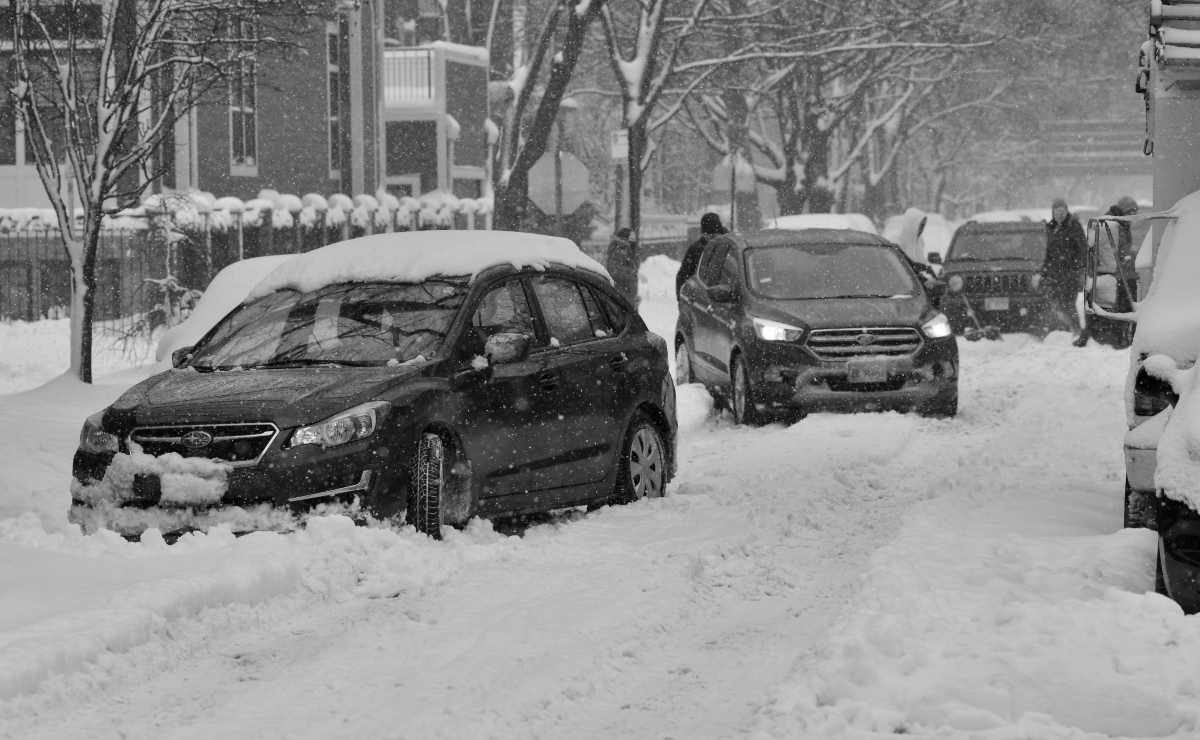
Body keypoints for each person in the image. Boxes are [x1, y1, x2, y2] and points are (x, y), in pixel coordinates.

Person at [1041, 197, 1088, 345]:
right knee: (1056, 303)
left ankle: (1076, 330)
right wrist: (1045, 270)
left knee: (1068, 302)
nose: (1059, 214)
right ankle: (1063, 331)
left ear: (1067, 211)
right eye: (1056, 211)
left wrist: (1076, 267)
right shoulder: (1051, 228)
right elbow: (1047, 251)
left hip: (1069, 273)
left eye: (1062, 211)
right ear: (1053, 213)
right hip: (1054, 274)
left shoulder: (1074, 226)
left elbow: (1082, 249)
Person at [676, 212, 727, 295]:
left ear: (719, 233)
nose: (710, 240)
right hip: (702, 295)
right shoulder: (696, 249)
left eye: (713, 236)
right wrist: (681, 297)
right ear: (702, 233)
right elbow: (683, 275)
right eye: (707, 235)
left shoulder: (729, 247)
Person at [605, 227, 639, 307]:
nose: (633, 241)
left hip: (626, 296)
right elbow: (614, 271)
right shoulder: (619, 251)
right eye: (632, 238)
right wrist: (631, 273)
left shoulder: (626, 250)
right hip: (621, 297)